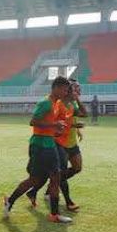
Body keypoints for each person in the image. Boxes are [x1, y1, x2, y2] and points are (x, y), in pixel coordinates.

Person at [3, 76, 73, 224]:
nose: (66, 93)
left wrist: (56, 126)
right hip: (42, 146)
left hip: (45, 144)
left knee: (35, 179)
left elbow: (48, 123)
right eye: (65, 90)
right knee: (55, 178)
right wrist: (54, 125)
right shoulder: (45, 103)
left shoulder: (56, 103)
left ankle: (10, 200)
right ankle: (54, 214)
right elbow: (33, 121)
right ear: (57, 88)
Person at [26, 80, 87, 212]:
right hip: (58, 143)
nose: (79, 91)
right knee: (59, 172)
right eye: (76, 89)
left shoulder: (71, 104)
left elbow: (82, 114)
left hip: (71, 142)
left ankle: (44, 187)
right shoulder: (57, 104)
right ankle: (68, 201)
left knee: (76, 168)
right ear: (68, 90)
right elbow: (51, 122)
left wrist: (75, 127)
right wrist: (55, 129)